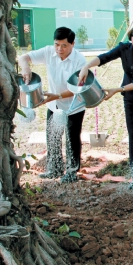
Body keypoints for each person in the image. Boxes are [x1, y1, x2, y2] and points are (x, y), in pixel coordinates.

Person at [78, 21, 133, 182]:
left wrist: (118, 89)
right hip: (130, 99)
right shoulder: (124, 48)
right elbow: (105, 57)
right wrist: (86, 66)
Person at [19, 27, 87, 183]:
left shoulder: (80, 61)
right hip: (53, 104)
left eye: (64, 46)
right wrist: (26, 67)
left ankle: (71, 171)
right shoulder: (48, 52)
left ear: (72, 44)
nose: (59, 49)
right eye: (57, 44)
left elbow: (78, 89)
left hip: (73, 105)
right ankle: (54, 168)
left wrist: (57, 95)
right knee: (52, 136)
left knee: (72, 138)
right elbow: (24, 57)